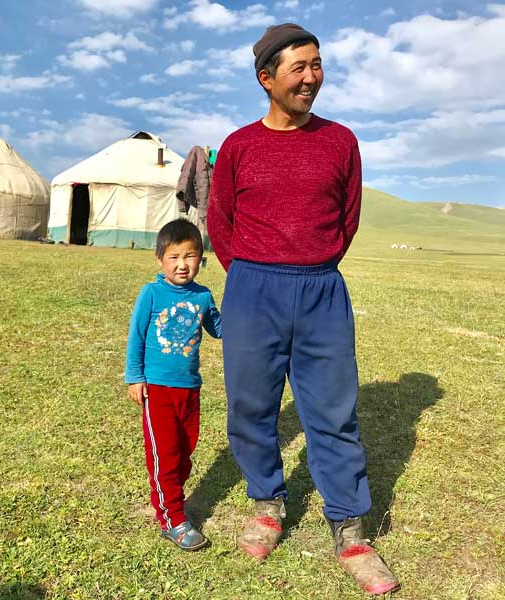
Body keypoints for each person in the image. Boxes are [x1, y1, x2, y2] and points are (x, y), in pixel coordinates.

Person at [207, 23, 399, 595]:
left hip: (320, 288)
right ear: (267, 79)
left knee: (334, 412)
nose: (312, 77)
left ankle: (349, 527)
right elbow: (220, 221)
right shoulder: (239, 145)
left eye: (317, 64)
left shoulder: (341, 141)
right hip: (252, 288)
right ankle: (267, 503)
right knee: (250, 404)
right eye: (299, 68)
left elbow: (347, 218)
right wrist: (248, 273)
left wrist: (312, 263)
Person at [125, 218, 222, 551]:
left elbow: (220, 329)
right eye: (174, 257)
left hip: (190, 388)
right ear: (160, 260)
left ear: (200, 258)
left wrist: (243, 312)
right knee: (164, 455)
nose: (182, 264)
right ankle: (172, 519)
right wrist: (134, 377)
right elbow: (135, 338)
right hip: (158, 389)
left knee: (184, 453)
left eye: (190, 256)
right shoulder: (151, 293)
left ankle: (171, 497)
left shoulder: (203, 296)